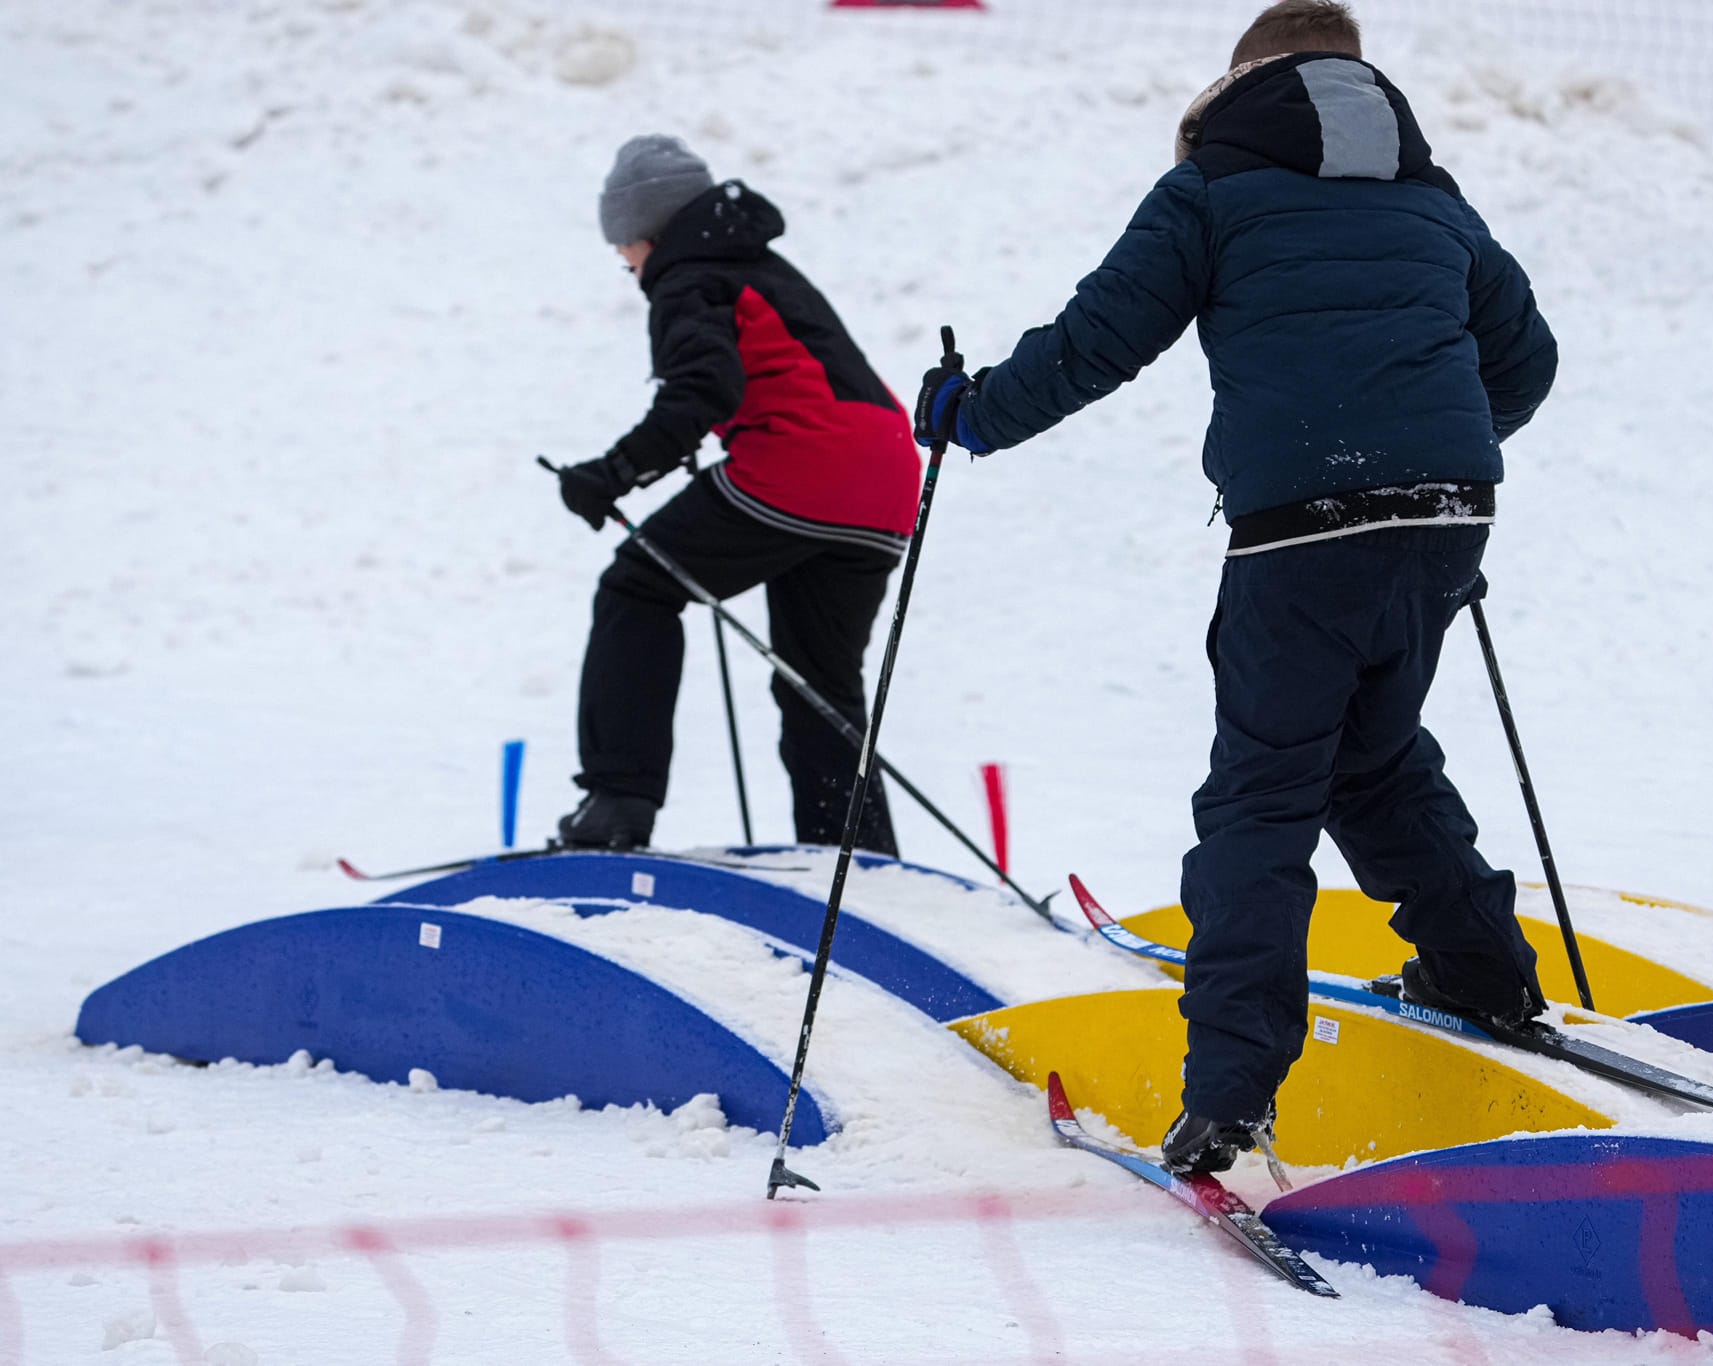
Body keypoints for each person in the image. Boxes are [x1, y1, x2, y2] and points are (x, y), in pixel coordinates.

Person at [915, 0, 1558, 1172]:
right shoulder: (1431, 199)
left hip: (1299, 533)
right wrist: (1427, 451)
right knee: (1370, 756)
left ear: (1235, 84)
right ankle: (1483, 977)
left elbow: (1097, 340)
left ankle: (1229, 1091)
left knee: (1262, 794)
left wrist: (973, 415)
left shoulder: (1211, 187)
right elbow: (1525, 359)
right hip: (1446, 512)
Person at [550, 135, 918, 855]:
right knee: (819, 682)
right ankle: (858, 857)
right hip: (886, 479)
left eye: (624, 250)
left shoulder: (687, 278)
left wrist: (613, 472)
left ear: (646, 231)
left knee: (636, 588)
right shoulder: (760, 266)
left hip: (801, 466)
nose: (627, 265)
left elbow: (703, 389)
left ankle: (617, 805)